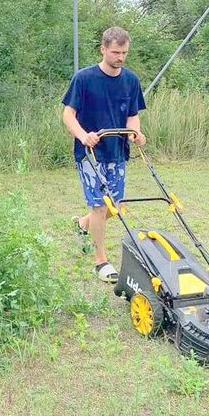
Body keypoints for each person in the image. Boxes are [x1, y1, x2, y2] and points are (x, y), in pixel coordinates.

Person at [61, 27, 147, 283]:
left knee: (116, 206)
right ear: (103, 49)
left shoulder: (131, 81)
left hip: (117, 151)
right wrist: (82, 135)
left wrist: (135, 134)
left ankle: (84, 223)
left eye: (124, 53)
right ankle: (101, 261)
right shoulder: (84, 78)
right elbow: (68, 114)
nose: (120, 57)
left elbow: (133, 115)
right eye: (116, 52)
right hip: (90, 153)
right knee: (100, 206)